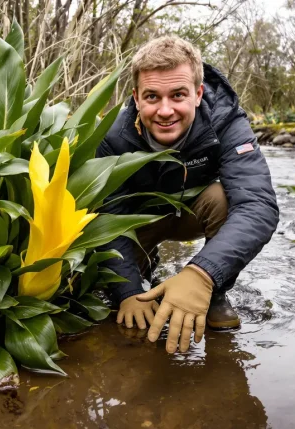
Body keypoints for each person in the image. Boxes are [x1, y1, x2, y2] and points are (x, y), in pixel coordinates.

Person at [96, 36, 279, 354]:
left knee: (225, 197)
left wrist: (203, 274)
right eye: (152, 96)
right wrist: (125, 291)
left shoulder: (226, 121)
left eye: (178, 95)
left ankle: (213, 292)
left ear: (197, 94)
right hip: (139, 219)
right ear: (137, 98)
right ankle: (143, 273)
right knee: (115, 302)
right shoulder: (112, 136)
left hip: (196, 210)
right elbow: (108, 213)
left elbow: (258, 204)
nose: (165, 111)